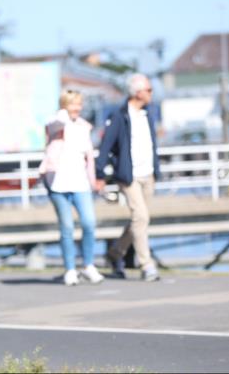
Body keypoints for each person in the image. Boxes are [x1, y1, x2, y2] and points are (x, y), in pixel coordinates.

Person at [95, 73, 162, 281]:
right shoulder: (120, 116)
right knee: (141, 217)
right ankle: (146, 265)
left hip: (148, 174)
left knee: (139, 220)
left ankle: (115, 253)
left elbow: (152, 144)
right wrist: (99, 174)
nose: (151, 93)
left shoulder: (147, 114)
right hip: (129, 175)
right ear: (138, 92)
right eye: (149, 90)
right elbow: (105, 147)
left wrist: (156, 169)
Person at [39, 90, 104, 286]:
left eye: (79, 104)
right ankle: (70, 269)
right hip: (57, 182)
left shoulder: (84, 127)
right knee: (67, 226)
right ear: (64, 106)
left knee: (89, 223)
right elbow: (56, 121)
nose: (77, 108)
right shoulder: (56, 124)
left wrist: (94, 181)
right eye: (73, 104)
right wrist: (64, 112)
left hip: (80, 181)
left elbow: (89, 158)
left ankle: (88, 265)